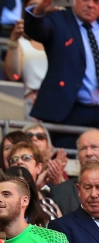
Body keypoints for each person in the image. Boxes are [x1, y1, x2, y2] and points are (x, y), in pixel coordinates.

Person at [23, 0, 99, 149]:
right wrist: (39, 11)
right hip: (68, 111)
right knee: (63, 164)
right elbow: (37, 30)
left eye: (96, 1)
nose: (91, 5)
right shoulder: (58, 19)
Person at [4, 0, 47, 120]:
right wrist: (13, 41)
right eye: (33, 4)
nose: (38, 8)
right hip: (32, 103)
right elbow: (13, 75)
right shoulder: (22, 43)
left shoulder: (64, 40)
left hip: (60, 102)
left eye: (42, 4)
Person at [7, 141, 62, 220]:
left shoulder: (50, 204)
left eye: (26, 158)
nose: (19, 162)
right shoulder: (3, 200)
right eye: (14, 159)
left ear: (39, 168)